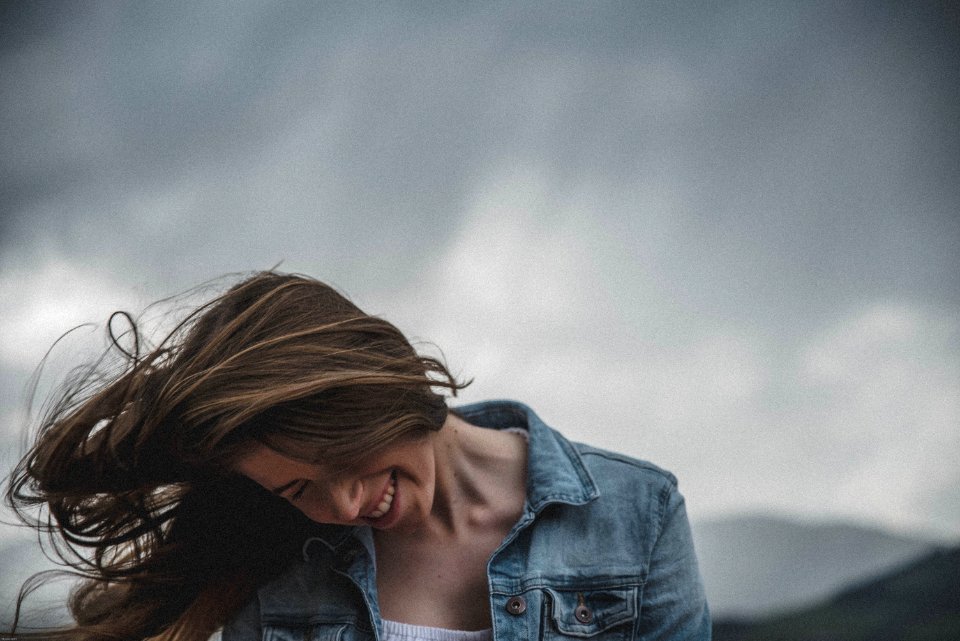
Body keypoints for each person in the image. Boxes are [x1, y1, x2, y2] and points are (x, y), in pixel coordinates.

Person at [6, 271, 710, 641]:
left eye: (334, 459)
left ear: (369, 390)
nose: (340, 506)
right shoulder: (279, 565)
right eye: (295, 491)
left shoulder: (634, 515)